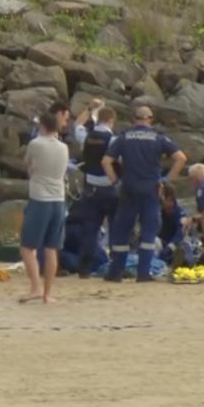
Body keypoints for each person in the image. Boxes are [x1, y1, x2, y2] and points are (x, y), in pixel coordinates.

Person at [101, 106, 187, 282]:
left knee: (122, 231)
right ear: (150, 119)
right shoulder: (159, 138)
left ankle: (116, 272)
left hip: (128, 189)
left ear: (134, 119)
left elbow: (106, 161)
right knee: (149, 232)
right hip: (151, 189)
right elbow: (181, 158)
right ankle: (143, 273)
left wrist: (116, 182)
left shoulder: (124, 138)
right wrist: (166, 180)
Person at [18, 113, 69, 304]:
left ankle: (35, 288)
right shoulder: (64, 147)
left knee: (27, 247)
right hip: (59, 199)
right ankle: (48, 293)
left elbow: (29, 166)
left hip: (40, 198)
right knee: (51, 248)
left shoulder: (36, 144)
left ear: (43, 126)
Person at [75, 106, 118, 278]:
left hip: (91, 188)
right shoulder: (113, 140)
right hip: (110, 188)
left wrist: (89, 107)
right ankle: (115, 266)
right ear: (111, 121)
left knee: (90, 229)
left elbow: (77, 124)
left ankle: (84, 268)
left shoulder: (86, 136)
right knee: (115, 229)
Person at [158, 182, 193, 266]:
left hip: (176, 242)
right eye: (168, 200)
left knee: (183, 246)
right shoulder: (156, 210)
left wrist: (170, 247)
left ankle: (184, 261)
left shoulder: (179, 210)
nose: (171, 204)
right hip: (161, 242)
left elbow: (180, 232)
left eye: (172, 200)